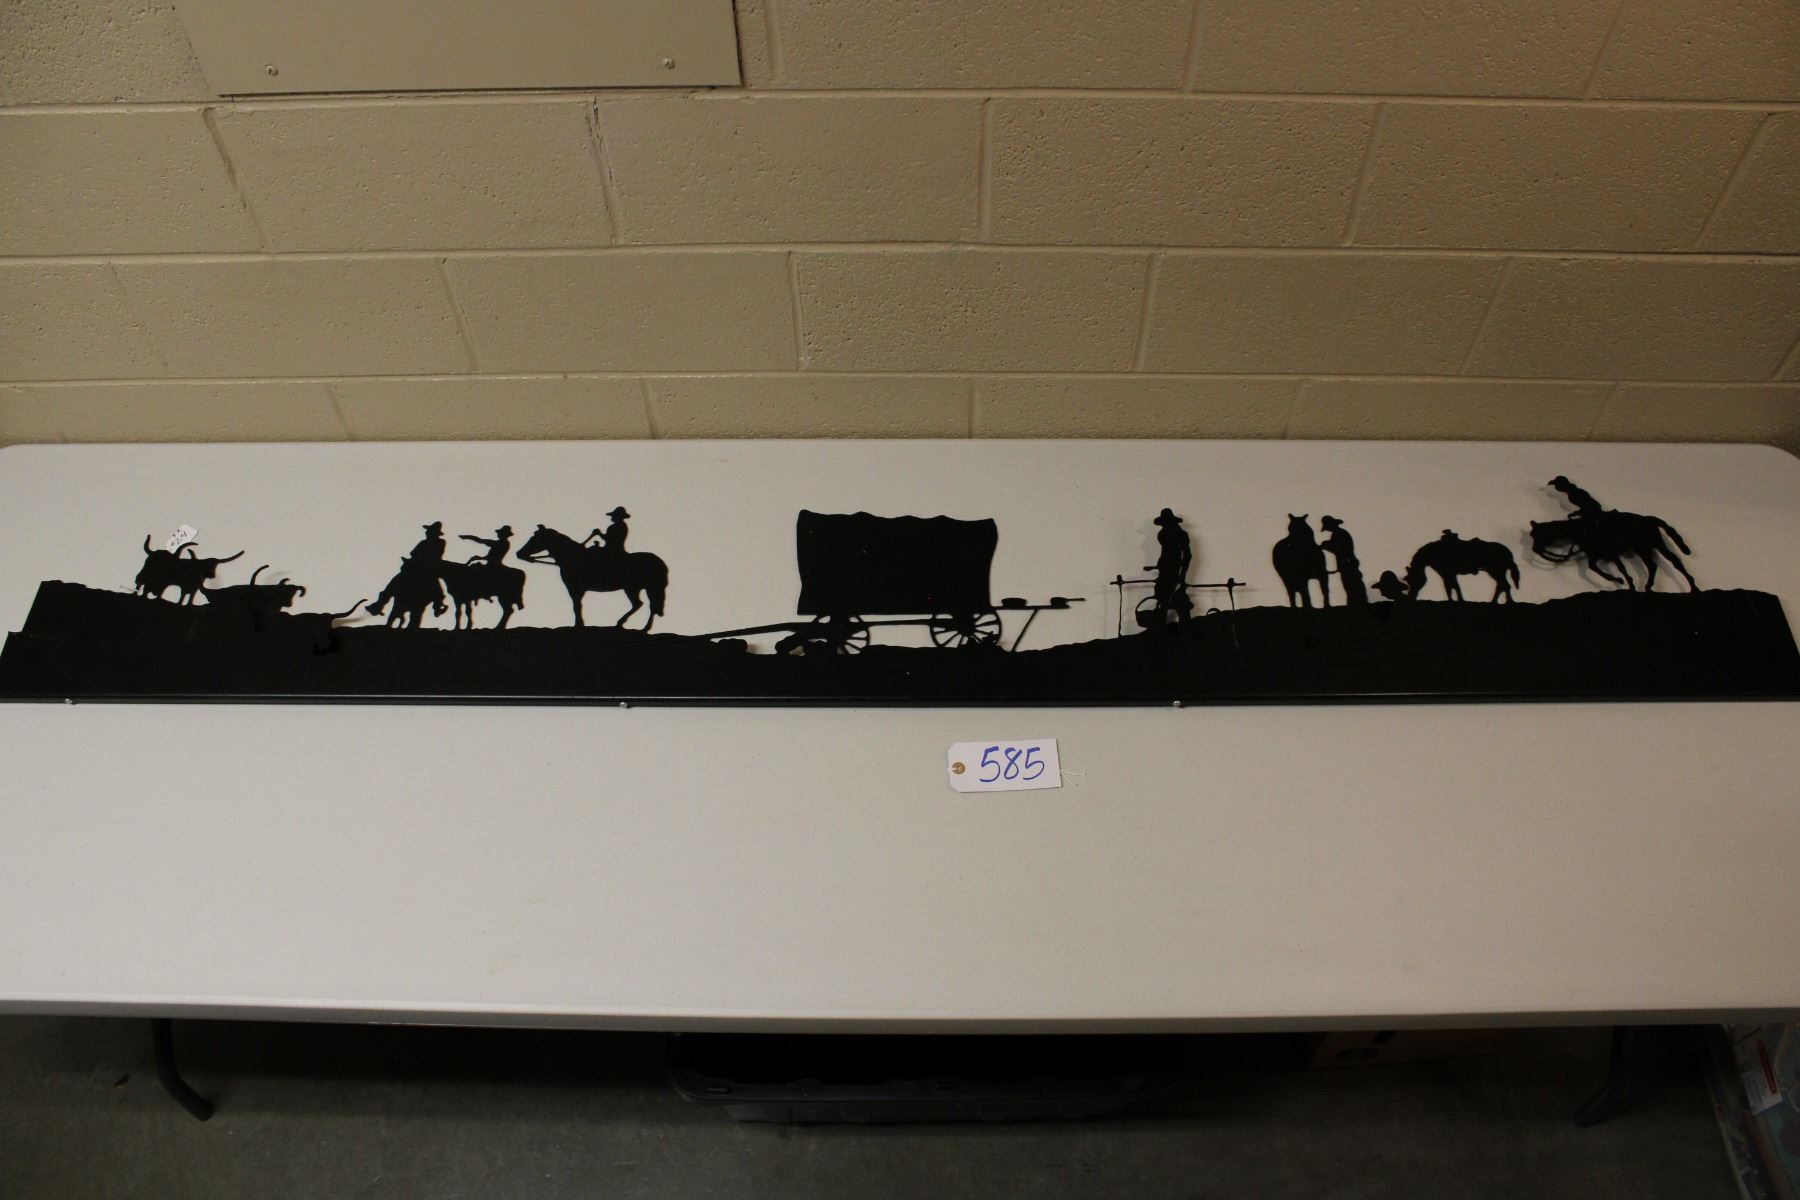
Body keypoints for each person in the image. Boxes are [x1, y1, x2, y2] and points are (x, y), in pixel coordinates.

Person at [368, 522, 448, 617]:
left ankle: (437, 606)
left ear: (434, 533)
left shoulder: (440, 542)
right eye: (427, 531)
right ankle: (379, 605)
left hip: (427, 569)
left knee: (436, 589)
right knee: (393, 584)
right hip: (415, 567)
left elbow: (433, 555)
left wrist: (421, 558)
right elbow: (413, 553)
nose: (427, 533)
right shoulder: (424, 542)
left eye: (429, 531)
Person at [1149, 508, 1192, 624]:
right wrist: (1160, 565)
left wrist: (1182, 574)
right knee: (1162, 597)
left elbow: (1187, 555)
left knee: (1176, 597)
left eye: (1165, 523)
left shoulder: (1181, 534)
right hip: (1164, 569)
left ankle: (1184, 625)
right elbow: (1165, 552)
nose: (1163, 526)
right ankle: (1161, 625)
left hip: (1175, 569)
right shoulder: (1162, 534)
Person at [1318, 515, 1368, 606]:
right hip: (1347, 564)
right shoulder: (1340, 533)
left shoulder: (1339, 534)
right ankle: (1356, 604)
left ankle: (1356, 605)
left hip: (1348, 564)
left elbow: (1337, 548)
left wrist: (1325, 544)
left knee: (1351, 587)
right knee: (1351, 587)